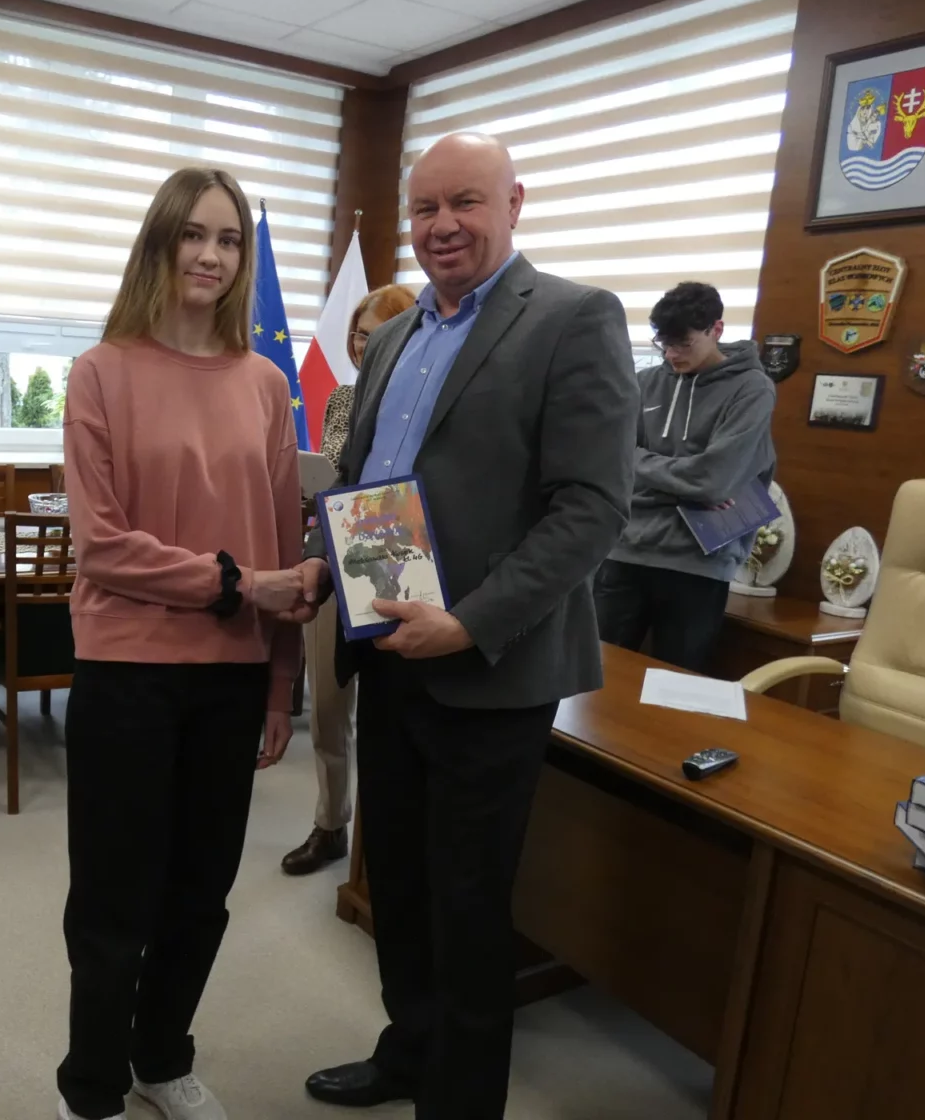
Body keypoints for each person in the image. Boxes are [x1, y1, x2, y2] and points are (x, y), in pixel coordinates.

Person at [288, 133, 638, 1119]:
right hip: (389, 655)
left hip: (491, 670)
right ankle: (408, 1053)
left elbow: (592, 508)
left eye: (466, 202)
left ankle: (461, 1101)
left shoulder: (575, 319)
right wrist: (323, 561)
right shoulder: (396, 333)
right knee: (397, 884)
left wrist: (470, 623)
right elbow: (363, 483)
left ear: (514, 203)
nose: (442, 225)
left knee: (469, 904)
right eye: (425, 207)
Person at [56, 166, 305, 1120]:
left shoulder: (266, 385)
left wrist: (280, 685)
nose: (211, 255)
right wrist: (234, 583)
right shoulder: (101, 371)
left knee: (201, 894)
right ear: (159, 244)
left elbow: (280, 545)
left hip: (232, 678)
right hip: (126, 672)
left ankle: (161, 1058)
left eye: (229, 239)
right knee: (113, 902)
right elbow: (101, 547)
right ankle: (92, 1089)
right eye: (193, 234)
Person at [283, 283, 415, 877]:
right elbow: (337, 470)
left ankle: (379, 844)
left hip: (400, 559)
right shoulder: (343, 397)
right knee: (329, 705)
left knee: (391, 713)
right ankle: (331, 822)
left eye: (377, 334)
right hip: (334, 549)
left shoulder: (429, 396)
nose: (365, 346)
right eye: (359, 335)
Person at [595, 281, 776, 673]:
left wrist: (641, 465)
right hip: (624, 550)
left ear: (717, 329)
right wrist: (687, 484)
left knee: (675, 685)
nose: (672, 354)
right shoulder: (645, 383)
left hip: (699, 561)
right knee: (599, 675)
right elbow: (608, 460)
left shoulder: (753, 389)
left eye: (684, 344)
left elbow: (713, 481)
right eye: (664, 344)